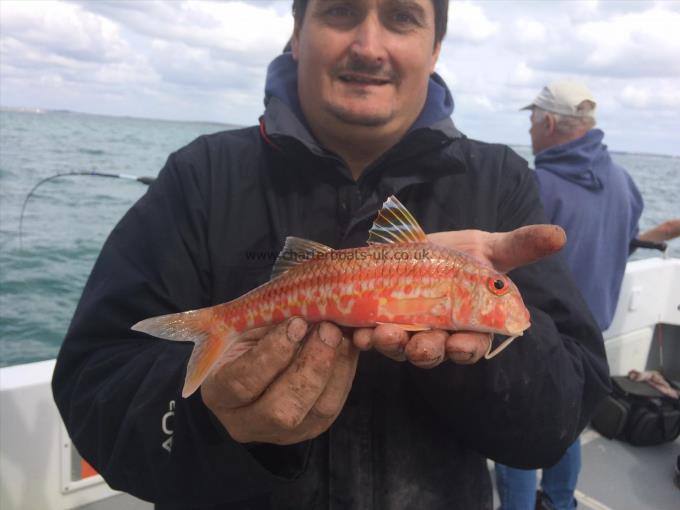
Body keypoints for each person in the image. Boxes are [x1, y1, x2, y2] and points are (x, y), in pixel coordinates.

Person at [52, 2, 611, 509]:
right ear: (297, 34)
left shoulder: (502, 182)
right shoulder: (200, 178)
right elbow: (91, 388)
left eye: (401, 17)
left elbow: (560, 418)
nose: (368, 46)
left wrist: (480, 356)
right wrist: (212, 417)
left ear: (436, 45)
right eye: (341, 11)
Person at [494, 80, 679, 510]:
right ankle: (561, 504)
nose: (529, 133)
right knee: (570, 421)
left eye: (532, 121)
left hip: (536, 338)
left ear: (550, 122)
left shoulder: (534, 186)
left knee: (518, 435)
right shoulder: (624, 182)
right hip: (593, 333)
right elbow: (625, 240)